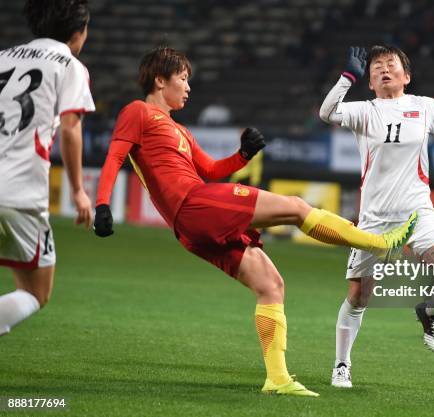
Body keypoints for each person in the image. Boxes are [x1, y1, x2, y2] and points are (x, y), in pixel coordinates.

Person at [93, 47, 417, 397]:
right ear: (160, 80)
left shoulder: (179, 131)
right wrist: (101, 204)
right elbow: (114, 156)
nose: (188, 87)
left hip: (190, 226)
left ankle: (276, 379)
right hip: (194, 205)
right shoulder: (138, 112)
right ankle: (380, 242)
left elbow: (210, 170)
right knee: (294, 207)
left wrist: (242, 155)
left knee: (271, 285)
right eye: (183, 79)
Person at [320, 45, 434, 388]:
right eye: (377, 67)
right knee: (359, 296)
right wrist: (347, 77)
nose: (384, 69)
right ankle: (341, 365)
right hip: (375, 221)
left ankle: (429, 312)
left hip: (416, 214)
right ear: (371, 82)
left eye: (391, 64)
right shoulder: (365, 111)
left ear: (407, 77)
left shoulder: (424, 107)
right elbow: (327, 113)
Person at [0, 0, 94, 336]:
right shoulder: (69, 65)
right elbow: (70, 127)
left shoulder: (3, 57)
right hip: (20, 193)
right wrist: (79, 191)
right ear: (77, 32)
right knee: (36, 292)